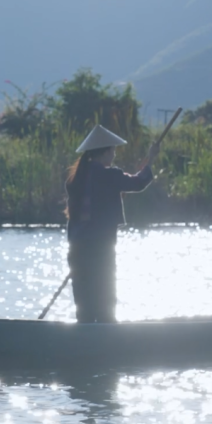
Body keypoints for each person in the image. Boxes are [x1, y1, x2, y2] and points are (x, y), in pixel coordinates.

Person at [65, 125, 159, 323]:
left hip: (77, 250)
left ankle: (86, 340)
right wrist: (151, 159)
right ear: (105, 151)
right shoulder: (110, 175)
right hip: (100, 250)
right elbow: (139, 182)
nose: (114, 155)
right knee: (105, 300)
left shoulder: (76, 178)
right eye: (113, 151)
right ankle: (106, 340)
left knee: (84, 305)